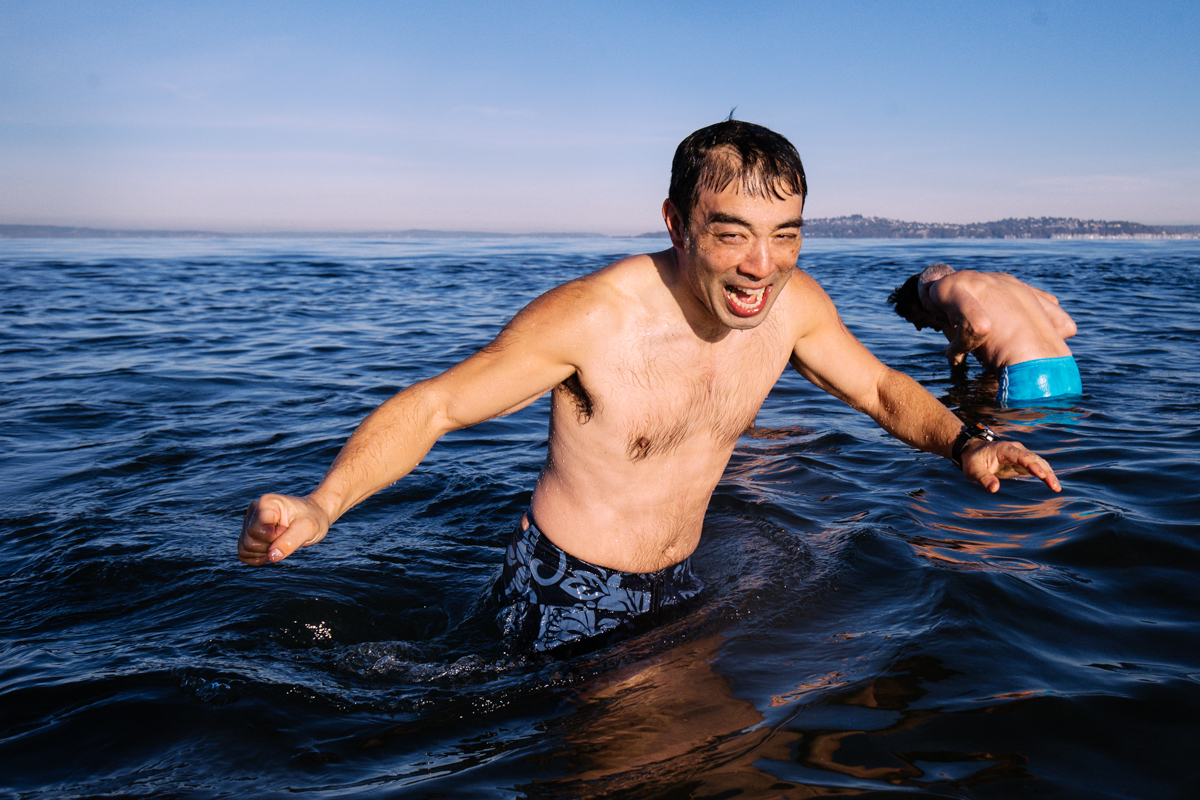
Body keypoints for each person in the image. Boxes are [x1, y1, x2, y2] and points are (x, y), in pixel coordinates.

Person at [239, 120, 1062, 654]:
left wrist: (967, 443)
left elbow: (883, 390)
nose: (761, 266)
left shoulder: (795, 307)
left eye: (785, 236)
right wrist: (323, 505)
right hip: (568, 588)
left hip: (678, 578)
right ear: (675, 223)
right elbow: (437, 404)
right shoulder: (594, 318)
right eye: (732, 234)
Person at [887, 263, 1081, 406]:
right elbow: (1066, 324)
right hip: (1069, 372)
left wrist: (954, 350)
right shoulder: (1003, 278)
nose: (931, 309)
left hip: (1026, 375)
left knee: (996, 452)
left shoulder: (940, 287)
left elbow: (979, 326)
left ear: (928, 290)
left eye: (925, 302)